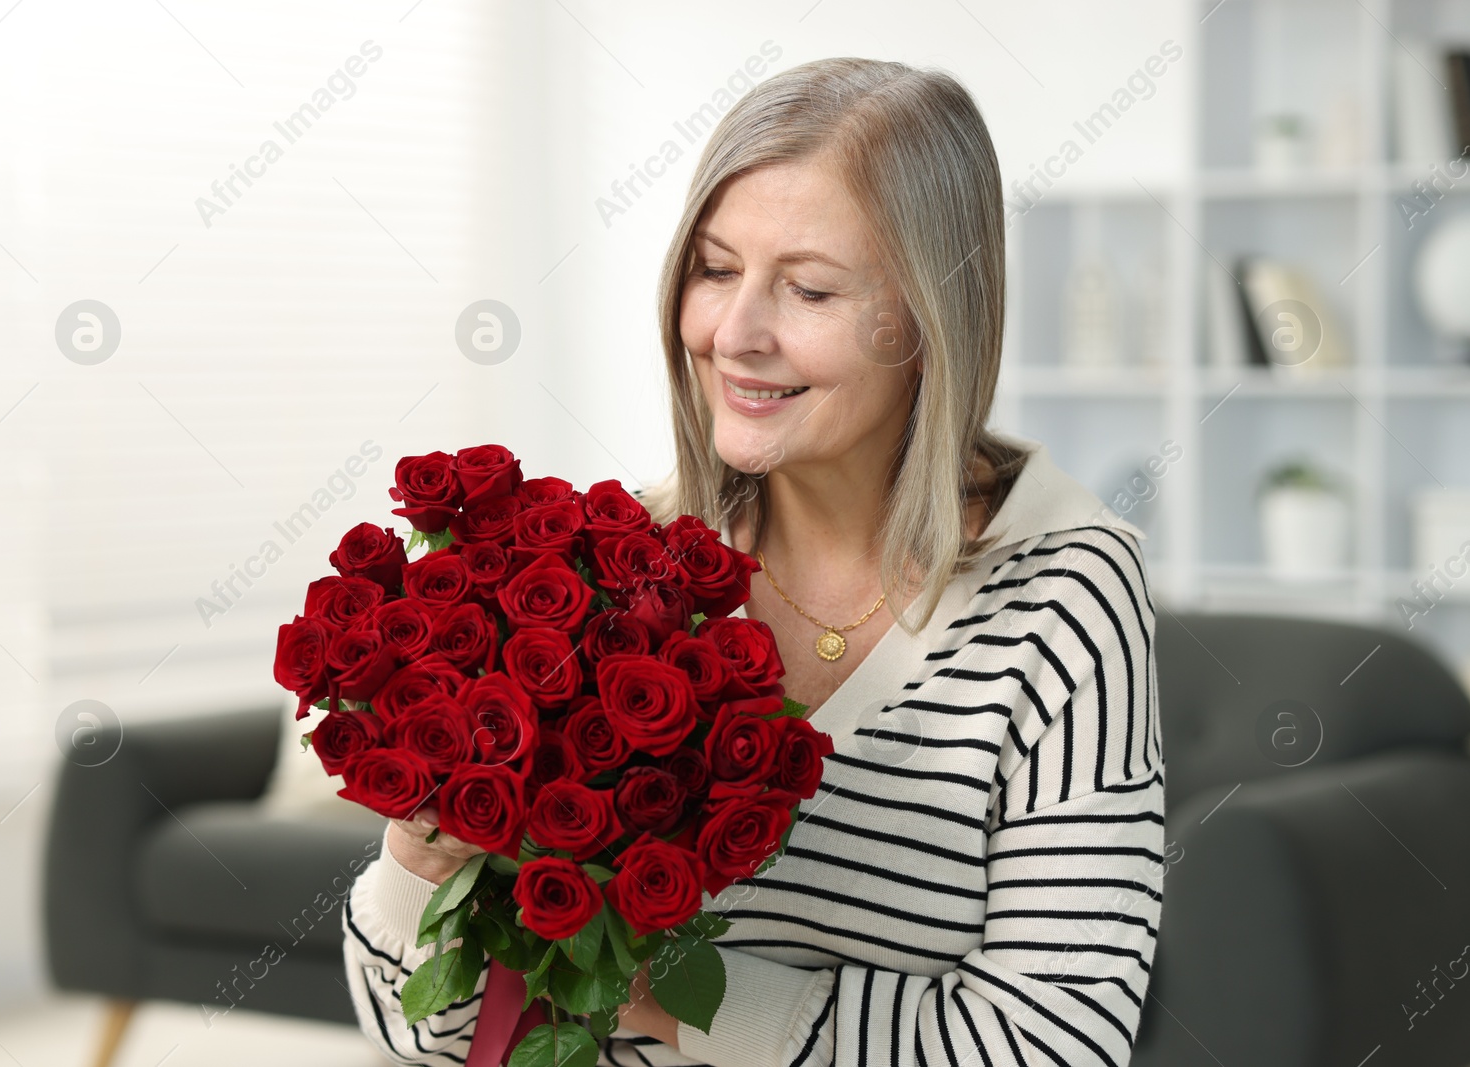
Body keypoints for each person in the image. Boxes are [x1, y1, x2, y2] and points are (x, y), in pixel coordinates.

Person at [343, 56, 1163, 1067]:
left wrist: (668, 998)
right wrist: (421, 854)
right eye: (716, 270)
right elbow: (424, 1030)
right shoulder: (617, 568)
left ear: (926, 318)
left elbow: (1054, 1043)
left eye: (808, 288)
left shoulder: (1061, 593)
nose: (733, 334)